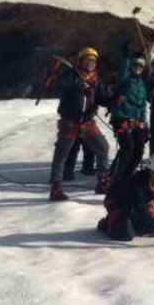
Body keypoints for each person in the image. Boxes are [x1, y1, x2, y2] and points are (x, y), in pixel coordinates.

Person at [48, 47, 112, 201]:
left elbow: (102, 98)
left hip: (87, 123)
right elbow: (56, 85)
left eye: (94, 61)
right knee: (62, 154)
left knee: (102, 148)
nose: (91, 63)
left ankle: (102, 181)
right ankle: (56, 187)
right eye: (88, 60)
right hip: (69, 122)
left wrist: (114, 99)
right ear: (81, 61)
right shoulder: (70, 75)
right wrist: (77, 84)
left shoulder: (95, 79)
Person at [97, 151, 154, 241]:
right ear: (152, 171)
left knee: (153, 230)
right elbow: (139, 205)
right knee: (125, 234)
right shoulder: (138, 182)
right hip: (119, 205)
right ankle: (107, 223)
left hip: (136, 209)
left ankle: (132, 223)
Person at [108, 43, 153, 184]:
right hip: (122, 118)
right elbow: (122, 71)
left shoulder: (142, 83)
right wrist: (126, 57)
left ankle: (126, 176)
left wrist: (144, 124)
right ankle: (115, 177)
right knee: (128, 148)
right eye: (135, 65)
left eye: (141, 66)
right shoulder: (125, 78)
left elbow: (143, 106)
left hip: (137, 121)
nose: (138, 68)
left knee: (138, 151)